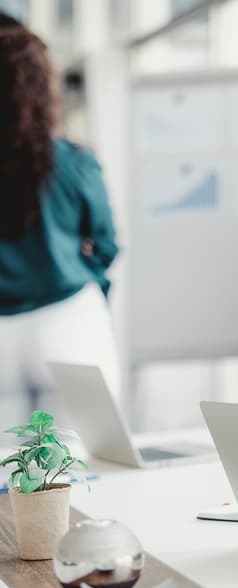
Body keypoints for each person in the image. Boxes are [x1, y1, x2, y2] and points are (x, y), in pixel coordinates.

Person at [0, 23, 120, 426]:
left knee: (5, 473)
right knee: (76, 465)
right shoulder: (71, 161)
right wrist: (87, 270)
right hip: (69, 323)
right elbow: (106, 245)